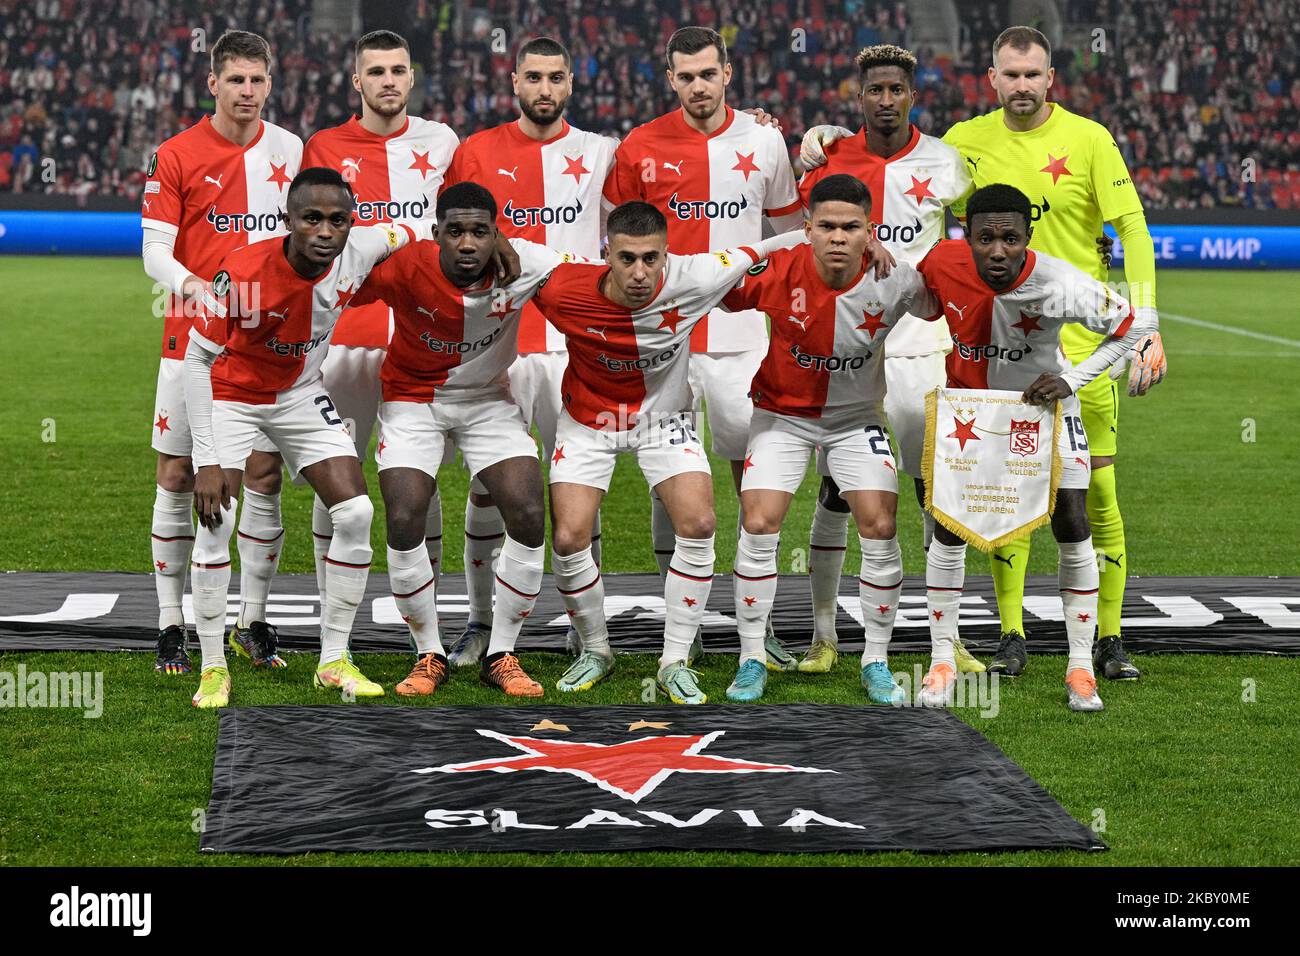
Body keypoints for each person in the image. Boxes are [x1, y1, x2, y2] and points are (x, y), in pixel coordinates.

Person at [811, 26, 1166, 679]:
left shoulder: (1089, 138)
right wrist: (826, 133)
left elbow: (1132, 226)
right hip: (986, 341)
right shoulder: (962, 143)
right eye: (1011, 74)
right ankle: (1008, 633)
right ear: (994, 79)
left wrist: (1147, 325)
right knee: (994, 491)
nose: (1022, 85)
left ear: (1050, 78)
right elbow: (890, 139)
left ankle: (1107, 640)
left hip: (1083, 343)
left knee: (1092, 496)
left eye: (1034, 74)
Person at [533, 201, 803, 703]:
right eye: (627, 258)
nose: (640, 273)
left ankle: (674, 657)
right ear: (605, 254)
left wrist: (863, 242)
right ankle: (596, 649)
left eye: (651, 259)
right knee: (570, 537)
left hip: (666, 421)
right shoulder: (561, 285)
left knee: (699, 524)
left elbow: (771, 245)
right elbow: (504, 255)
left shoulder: (698, 275)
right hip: (589, 423)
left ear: (667, 255)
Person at [602, 26, 804, 670]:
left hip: (743, 335)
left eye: (707, 73)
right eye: (685, 76)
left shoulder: (765, 138)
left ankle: (757, 620)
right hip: (663, 335)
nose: (698, 85)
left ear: (727, 73)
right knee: (670, 471)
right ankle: (676, 624)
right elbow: (617, 239)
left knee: (756, 470)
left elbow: (791, 234)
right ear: (671, 80)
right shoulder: (639, 145)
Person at [183, 167, 423, 708]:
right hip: (231, 395)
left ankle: (333, 660)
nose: (325, 231)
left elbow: (410, 229)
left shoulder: (359, 249)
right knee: (217, 519)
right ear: (288, 220)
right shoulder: (242, 274)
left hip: (299, 395)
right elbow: (197, 361)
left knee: (357, 513)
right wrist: (207, 459)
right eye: (311, 218)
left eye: (338, 220)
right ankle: (214, 667)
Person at [914, 184, 1157, 712]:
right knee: (948, 528)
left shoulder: (1060, 282)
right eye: (985, 238)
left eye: (1009, 238)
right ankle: (941, 661)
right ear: (966, 236)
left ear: (1028, 236)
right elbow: (911, 301)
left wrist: (1074, 378)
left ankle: (1079, 667)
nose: (997, 250)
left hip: (1044, 413)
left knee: (1072, 520)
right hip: (972, 416)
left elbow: (1135, 326)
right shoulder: (940, 261)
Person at [794, 43, 978, 675]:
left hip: (922, 346)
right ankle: (824, 636)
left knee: (936, 490)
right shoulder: (831, 159)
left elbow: (981, 232)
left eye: (896, 88)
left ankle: (945, 643)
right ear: (861, 95)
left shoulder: (947, 163)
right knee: (838, 490)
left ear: (912, 94)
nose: (885, 99)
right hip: (847, 350)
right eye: (874, 89)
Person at [721, 174, 941, 703]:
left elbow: (944, 304)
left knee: (881, 524)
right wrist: (774, 245)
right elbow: (718, 284)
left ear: (871, 230)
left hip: (856, 418)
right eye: (826, 227)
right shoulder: (777, 269)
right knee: (758, 520)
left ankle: (876, 659)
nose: (838, 237)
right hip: (781, 416)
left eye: (852, 227)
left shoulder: (897, 279)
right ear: (807, 229)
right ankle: (751, 656)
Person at [438, 35, 617, 665]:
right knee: (489, 489)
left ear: (572, 83)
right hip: (500, 350)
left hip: (579, 347)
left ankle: (581, 623)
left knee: (578, 488)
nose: (545, 89)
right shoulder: (475, 151)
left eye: (557, 77)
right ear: (514, 82)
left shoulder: (603, 153)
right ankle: (481, 624)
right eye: (534, 77)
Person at [349, 182, 566, 698]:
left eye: (480, 232)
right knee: (404, 514)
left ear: (497, 234)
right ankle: (428, 653)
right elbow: (334, 277)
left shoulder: (529, 263)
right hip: (411, 399)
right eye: (455, 232)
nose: (467, 244)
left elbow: (597, 276)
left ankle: (503, 652)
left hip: (489, 399)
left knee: (529, 510)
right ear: (435, 234)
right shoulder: (404, 267)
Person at [141, 30, 301, 675]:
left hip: (267, 348)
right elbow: (155, 249)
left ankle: (252, 619)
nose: (247, 92)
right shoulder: (176, 154)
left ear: (270, 82)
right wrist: (197, 285)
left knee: (263, 477)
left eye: (257, 80)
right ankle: (169, 623)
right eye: (235, 80)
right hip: (191, 341)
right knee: (178, 475)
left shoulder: (290, 150)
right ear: (213, 83)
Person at [302, 29, 459, 619]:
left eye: (398, 70)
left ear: (411, 77)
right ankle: (329, 609)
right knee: (336, 472)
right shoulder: (323, 145)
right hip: (344, 337)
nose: (388, 80)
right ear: (357, 81)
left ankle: (431, 609)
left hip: (423, 337)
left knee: (424, 474)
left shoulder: (442, 141)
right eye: (377, 71)